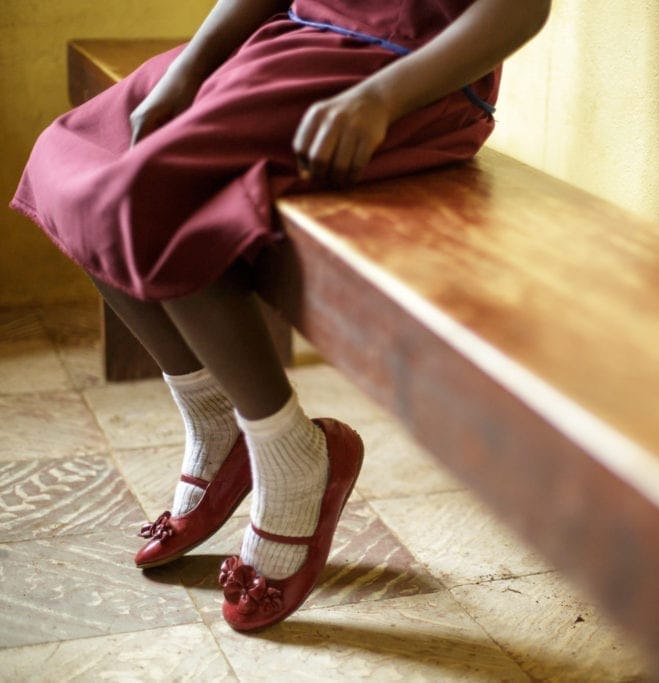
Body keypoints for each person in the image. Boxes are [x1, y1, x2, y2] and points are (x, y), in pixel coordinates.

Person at [10, 0, 550, 631]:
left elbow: (518, 10)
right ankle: (219, 425)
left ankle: (293, 455)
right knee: (75, 151)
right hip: (293, 38)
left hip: (401, 73)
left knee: (152, 196)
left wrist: (377, 99)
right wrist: (192, 69)